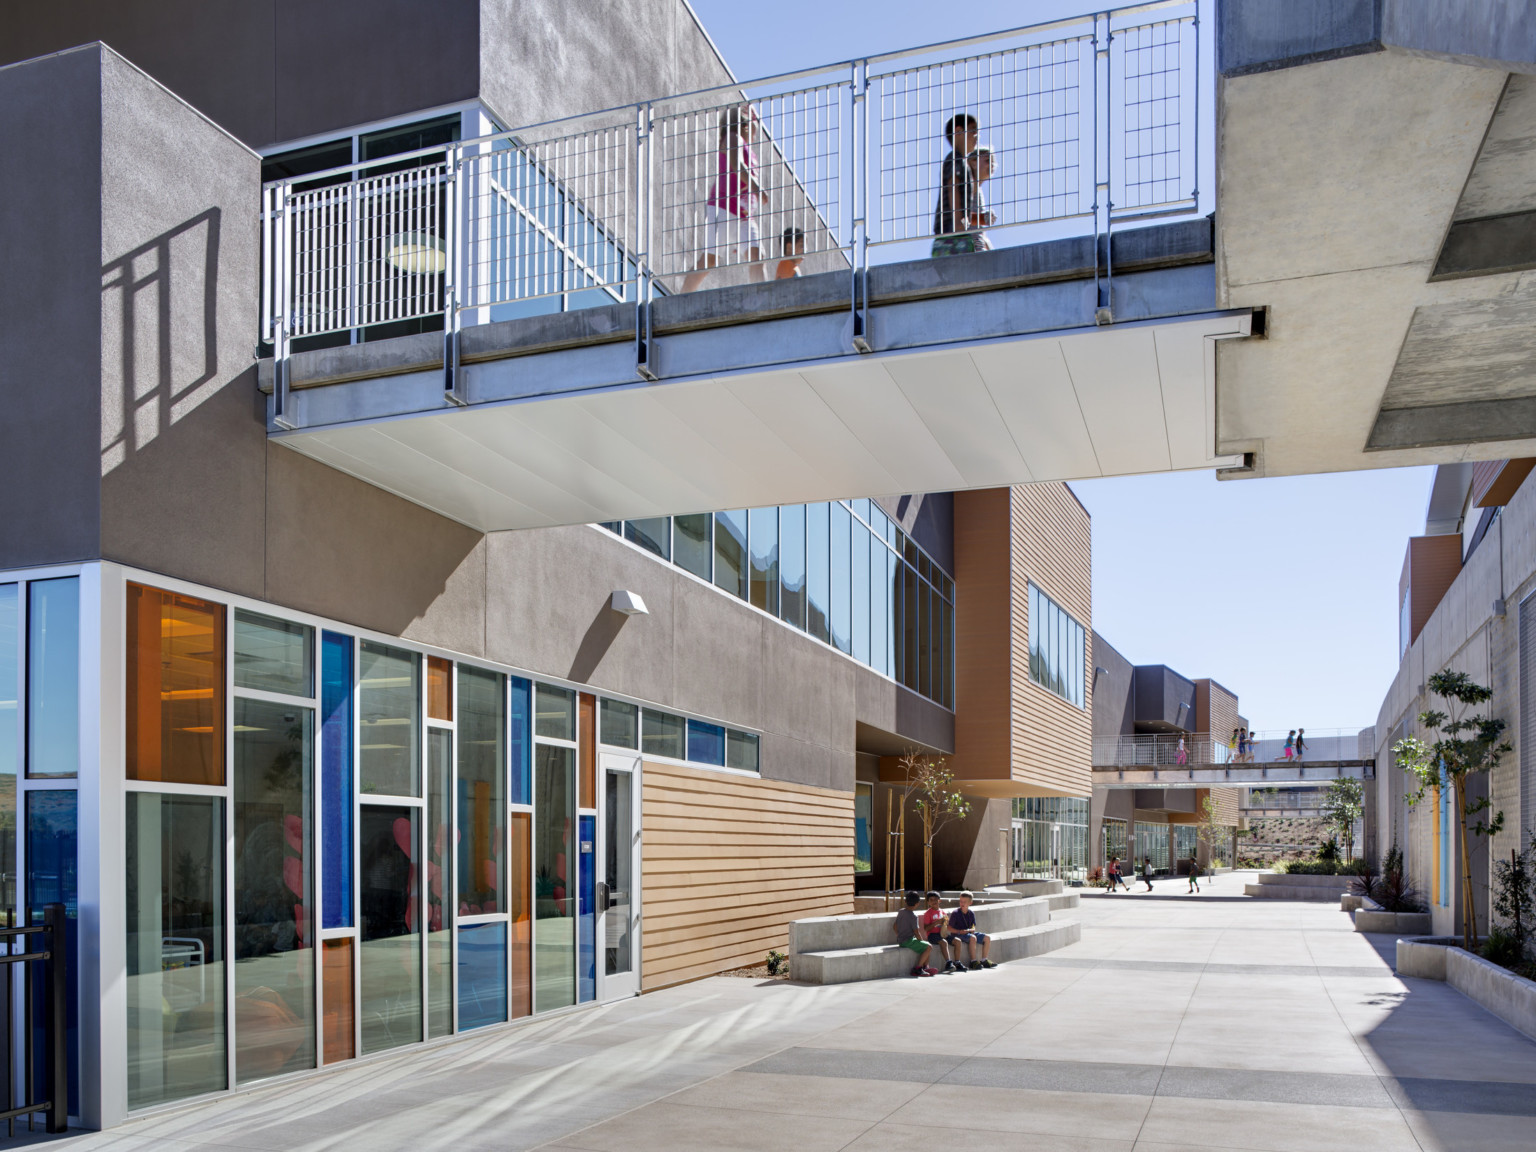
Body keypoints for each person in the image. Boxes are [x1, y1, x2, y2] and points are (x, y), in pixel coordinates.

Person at [684, 104, 765, 292]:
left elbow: (754, 128)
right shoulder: (731, 138)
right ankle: (682, 296)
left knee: (757, 256)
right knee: (709, 260)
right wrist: (757, 188)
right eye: (749, 125)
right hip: (724, 206)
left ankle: (763, 296)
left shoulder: (749, 149)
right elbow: (737, 166)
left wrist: (753, 114)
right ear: (742, 126)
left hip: (744, 214)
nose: (753, 129)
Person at [931, 113, 984, 256]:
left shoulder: (962, 162)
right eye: (973, 130)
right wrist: (958, 224)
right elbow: (952, 186)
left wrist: (981, 219)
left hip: (955, 231)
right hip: (951, 232)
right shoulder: (955, 158)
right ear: (959, 132)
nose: (977, 136)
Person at [893, 890, 938, 977]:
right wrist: (920, 939)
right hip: (908, 941)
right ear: (917, 904)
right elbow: (916, 932)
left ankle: (926, 967)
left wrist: (898, 936)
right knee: (929, 947)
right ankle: (918, 968)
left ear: (905, 901)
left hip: (901, 940)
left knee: (926, 945)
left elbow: (894, 926)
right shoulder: (913, 917)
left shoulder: (901, 911)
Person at [947, 891, 996, 969]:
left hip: (968, 933)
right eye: (961, 901)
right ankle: (973, 961)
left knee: (987, 938)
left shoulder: (971, 913)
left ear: (970, 903)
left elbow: (973, 927)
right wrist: (959, 931)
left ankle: (984, 960)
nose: (962, 903)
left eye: (964, 902)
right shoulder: (955, 913)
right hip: (958, 934)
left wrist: (971, 930)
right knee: (973, 938)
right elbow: (948, 928)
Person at [921, 890, 958, 973]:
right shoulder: (928, 913)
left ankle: (958, 962)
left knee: (957, 941)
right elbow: (926, 928)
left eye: (935, 899)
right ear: (928, 903)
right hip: (932, 935)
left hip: (942, 933)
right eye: (931, 900)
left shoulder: (942, 911)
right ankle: (949, 963)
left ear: (939, 900)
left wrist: (945, 922)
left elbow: (946, 925)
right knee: (944, 942)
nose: (934, 901)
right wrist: (936, 922)